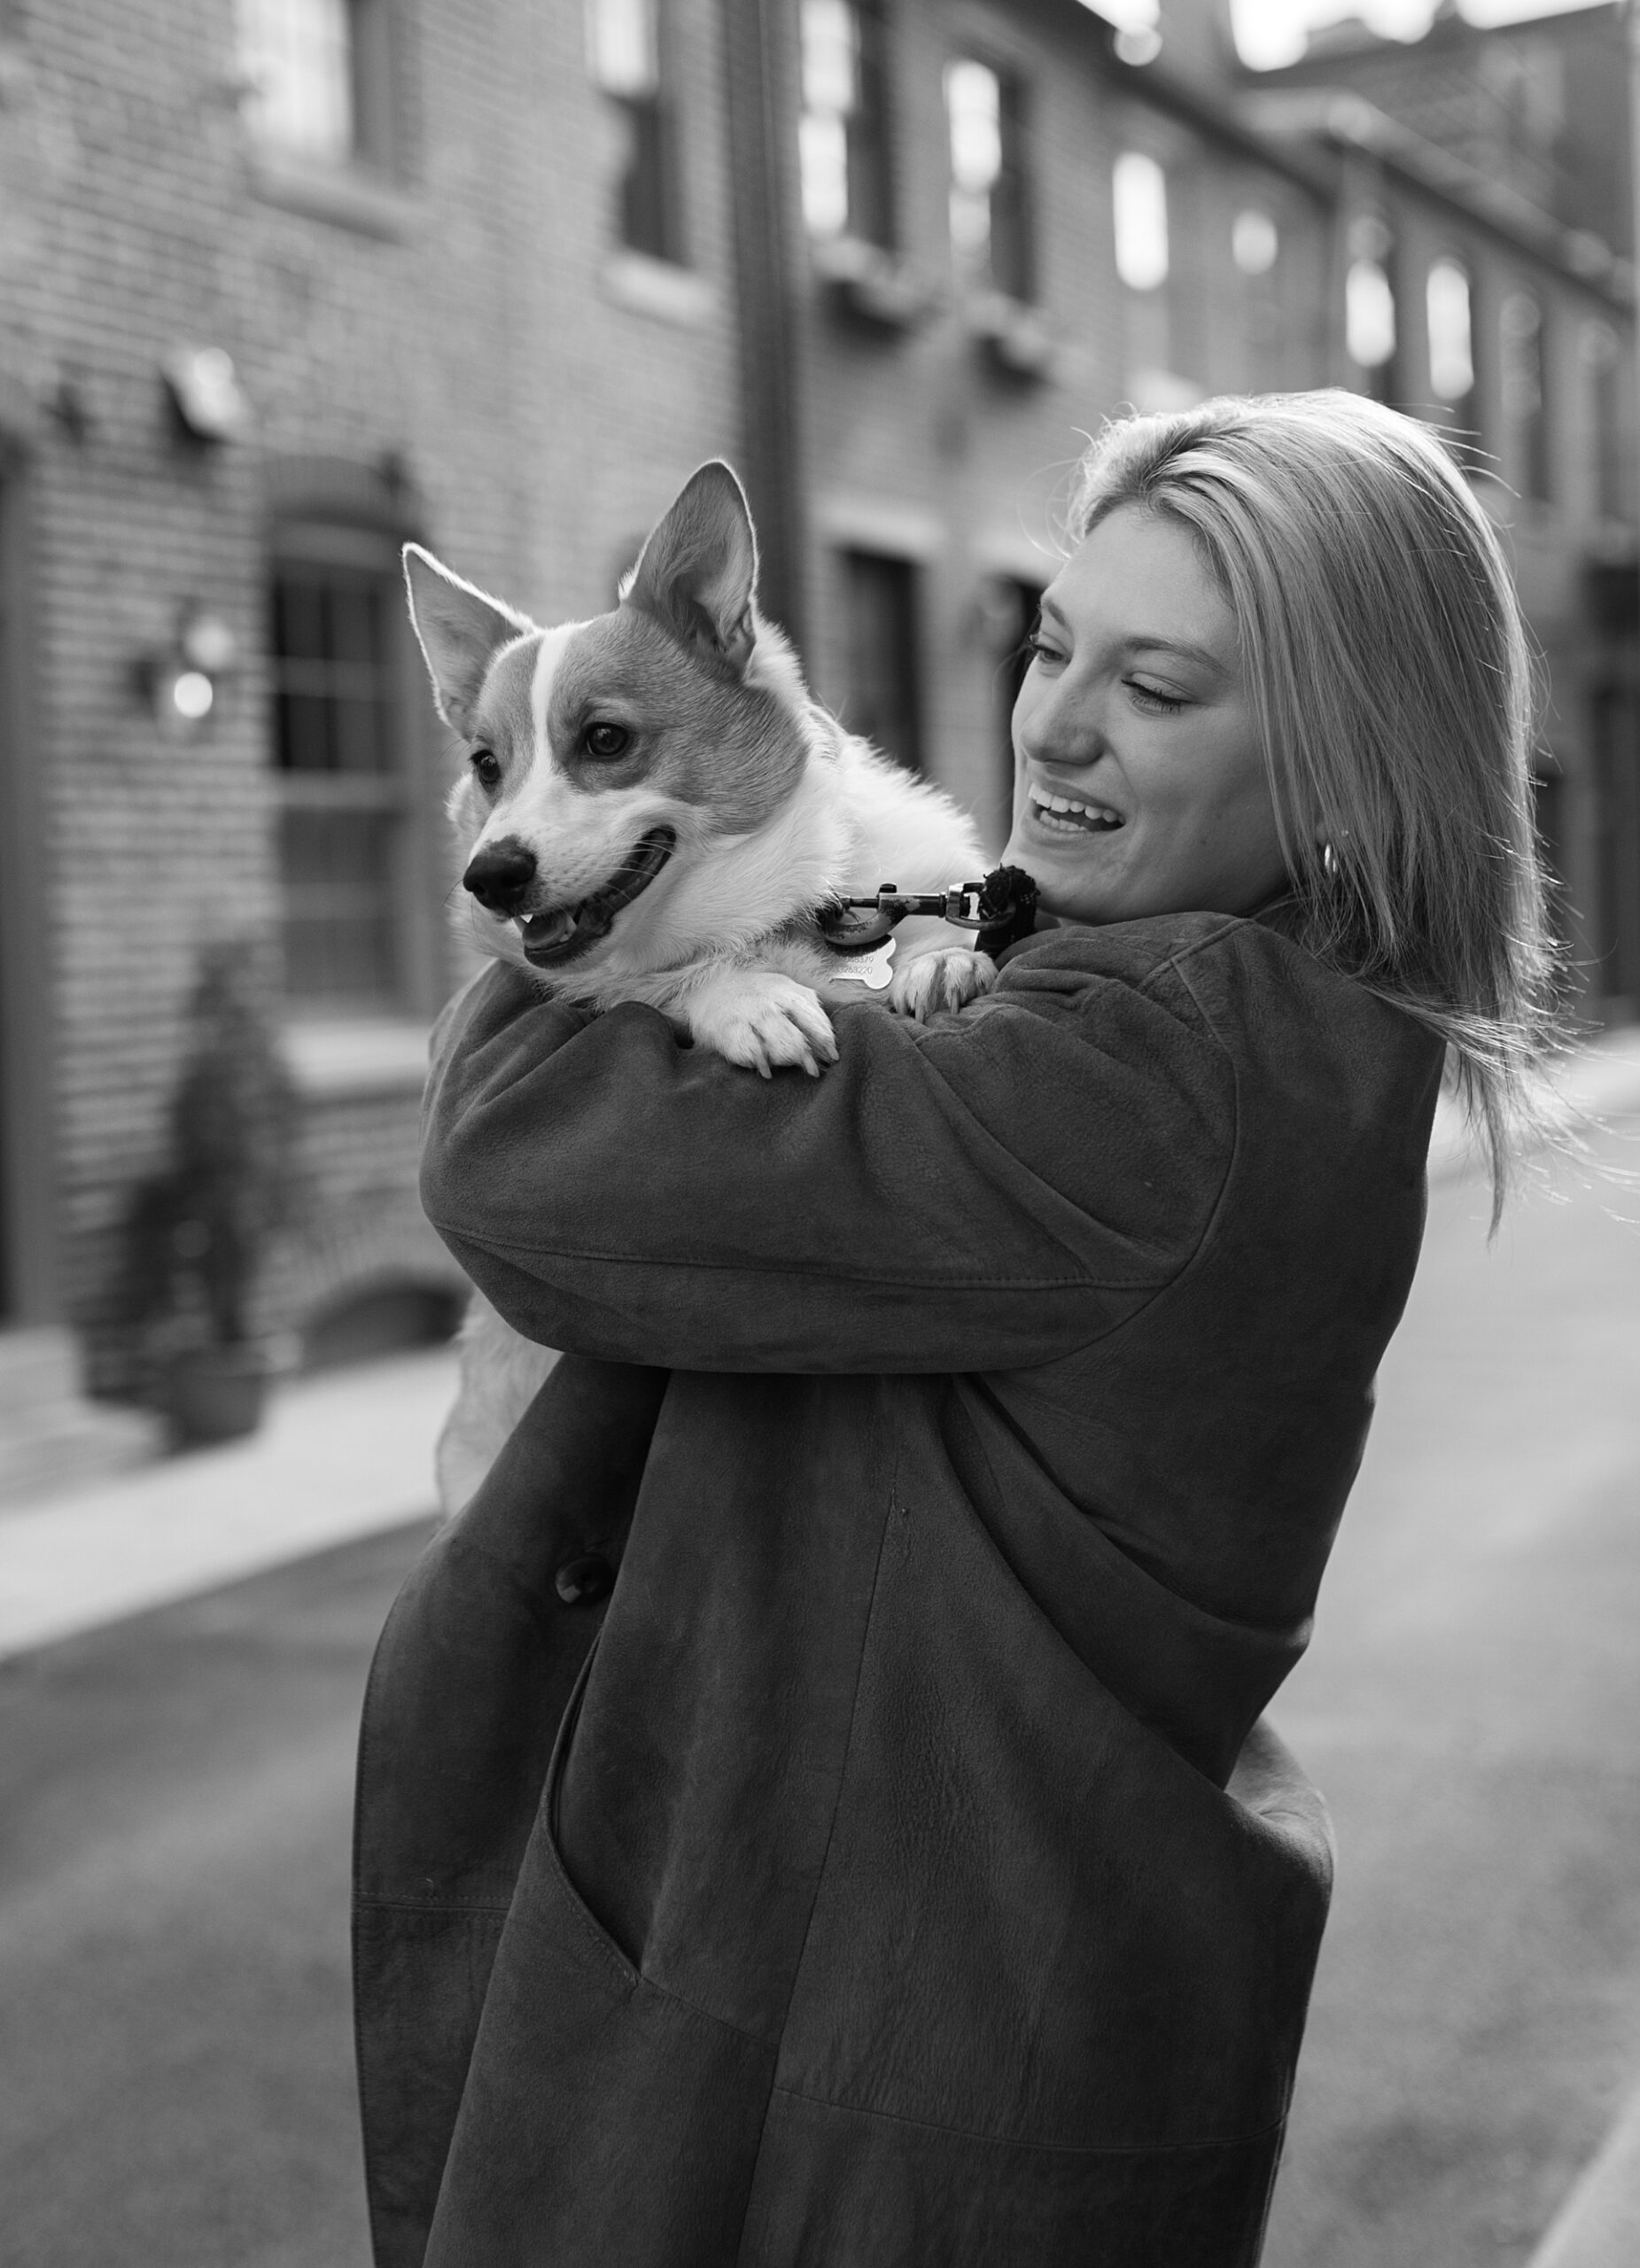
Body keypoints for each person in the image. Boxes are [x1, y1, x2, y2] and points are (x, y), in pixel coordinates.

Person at [353, 391, 1557, 2268]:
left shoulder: (1163, 1071)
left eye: (1159, 690)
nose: (1056, 721)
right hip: (980, 1997)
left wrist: (632, 936)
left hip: (891, 2067)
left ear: (1344, 765)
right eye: (1051, 640)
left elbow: (522, 1167)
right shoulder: (1180, 1006)